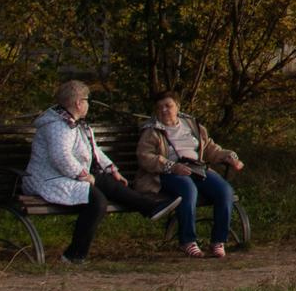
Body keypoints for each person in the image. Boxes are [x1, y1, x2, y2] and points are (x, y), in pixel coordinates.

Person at [21, 80, 178, 264]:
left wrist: (112, 169)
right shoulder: (57, 126)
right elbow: (60, 157)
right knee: (97, 201)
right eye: (87, 100)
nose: (88, 104)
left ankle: (150, 208)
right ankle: (73, 255)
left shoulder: (74, 123)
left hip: (65, 176)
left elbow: (94, 150)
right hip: (47, 180)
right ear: (79, 103)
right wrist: (83, 175)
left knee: (109, 181)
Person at [136, 92, 243, 258]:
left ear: (177, 107)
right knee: (188, 189)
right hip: (168, 173)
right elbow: (145, 157)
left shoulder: (192, 125)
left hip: (197, 169)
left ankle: (218, 241)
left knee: (224, 191)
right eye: (160, 107)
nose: (164, 110)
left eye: (168, 106)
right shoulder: (152, 131)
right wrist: (172, 166)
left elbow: (209, 148)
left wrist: (227, 156)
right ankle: (188, 241)